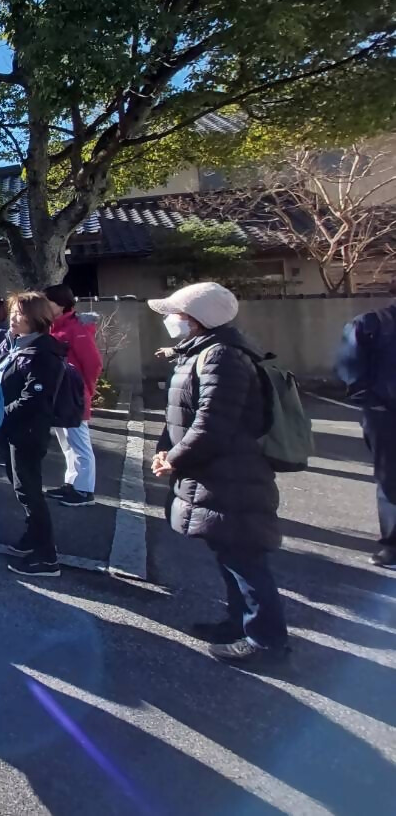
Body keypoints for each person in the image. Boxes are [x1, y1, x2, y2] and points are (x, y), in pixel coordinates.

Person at [148, 282, 289, 665]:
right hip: (215, 471)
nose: (169, 320)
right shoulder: (204, 351)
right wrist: (170, 452)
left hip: (230, 475)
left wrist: (174, 458)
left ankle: (266, 641)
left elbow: (212, 423)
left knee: (244, 558)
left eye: (175, 314)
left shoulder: (220, 356)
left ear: (195, 320)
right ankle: (238, 623)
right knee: (230, 553)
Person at [0, 292, 67, 577]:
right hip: (15, 430)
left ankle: (46, 556)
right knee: (22, 488)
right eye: (13, 312)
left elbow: (33, 399)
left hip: (26, 431)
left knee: (29, 491)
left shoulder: (41, 353)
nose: (13, 318)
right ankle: (32, 538)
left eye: (20, 314)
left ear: (36, 318)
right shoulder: (21, 346)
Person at [335, 283, 396, 568]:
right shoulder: (371, 324)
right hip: (386, 415)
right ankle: (393, 545)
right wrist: (376, 404)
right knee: (391, 478)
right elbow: (351, 370)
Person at [43, 284, 103, 506]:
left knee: (79, 443)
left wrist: (86, 389)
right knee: (67, 442)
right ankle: (73, 483)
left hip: (73, 394)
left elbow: (93, 363)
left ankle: (84, 490)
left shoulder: (75, 328)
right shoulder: (56, 326)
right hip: (62, 394)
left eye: (48, 302)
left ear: (60, 304)